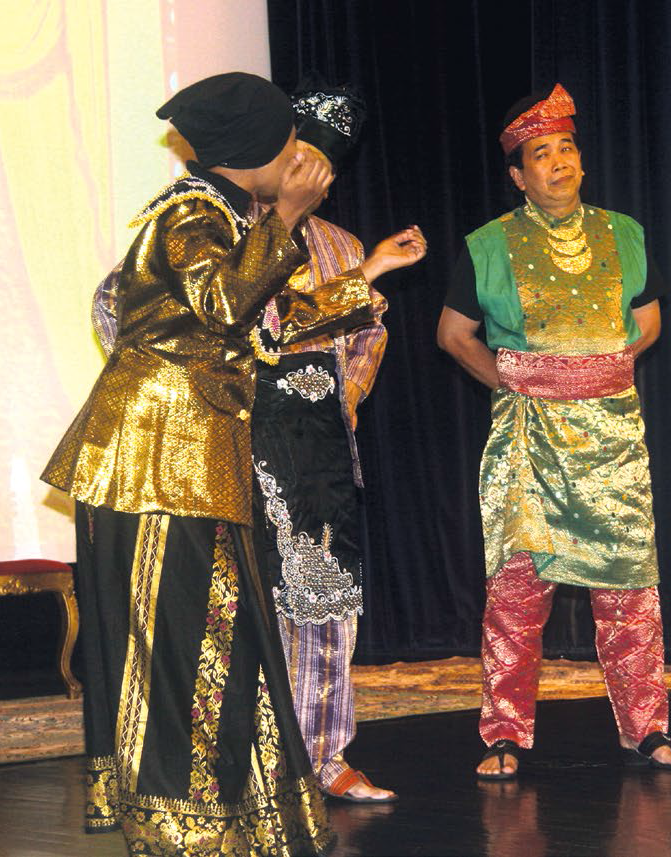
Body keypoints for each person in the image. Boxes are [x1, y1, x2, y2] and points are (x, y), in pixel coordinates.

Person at [43, 71, 418, 855]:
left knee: (219, 638)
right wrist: (289, 218)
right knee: (180, 644)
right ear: (253, 151)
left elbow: (262, 331)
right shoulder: (190, 215)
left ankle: (221, 810)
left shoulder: (219, 215)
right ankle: (181, 821)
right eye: (290, 143)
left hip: (190, 457)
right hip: (152, 460)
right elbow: (223, 304)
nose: (301, 159)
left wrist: (362, 278)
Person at [436, 83, 671, 779]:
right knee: (518, 590)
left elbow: (648, 322)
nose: (558, 162)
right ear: (518, 176)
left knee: (630, 590)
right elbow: (453, 334)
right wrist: (518, 381)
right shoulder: (489, 245)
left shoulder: (624, 231)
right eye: (541, 155)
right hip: (528, 435)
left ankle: (648, 729)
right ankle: (504, 735)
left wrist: (596, 370)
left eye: (566, 148)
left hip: (612, 436)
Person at [248, 84, 421, 804]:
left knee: (327, 606)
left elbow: (367, 336)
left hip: (319, 448)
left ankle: (325, 755)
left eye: (322, 166)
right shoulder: (219, 229)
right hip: (241, 444)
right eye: (299, 159)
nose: (309, 175)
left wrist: (341, 399)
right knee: (252, 607)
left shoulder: (343, 245)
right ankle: (254, 763)